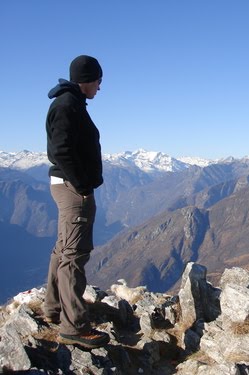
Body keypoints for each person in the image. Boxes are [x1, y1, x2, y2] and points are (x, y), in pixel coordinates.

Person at [43, 55, 110, 348]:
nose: (99, 87)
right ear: (87, 79)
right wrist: (82, 185)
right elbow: (61, 149)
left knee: (63, 250)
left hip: (68, 186)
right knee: (75, 255)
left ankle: (54, 309)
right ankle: (74, 327)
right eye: (98, 80)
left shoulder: (69, 103)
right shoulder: (67, 106)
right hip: (73, 189)